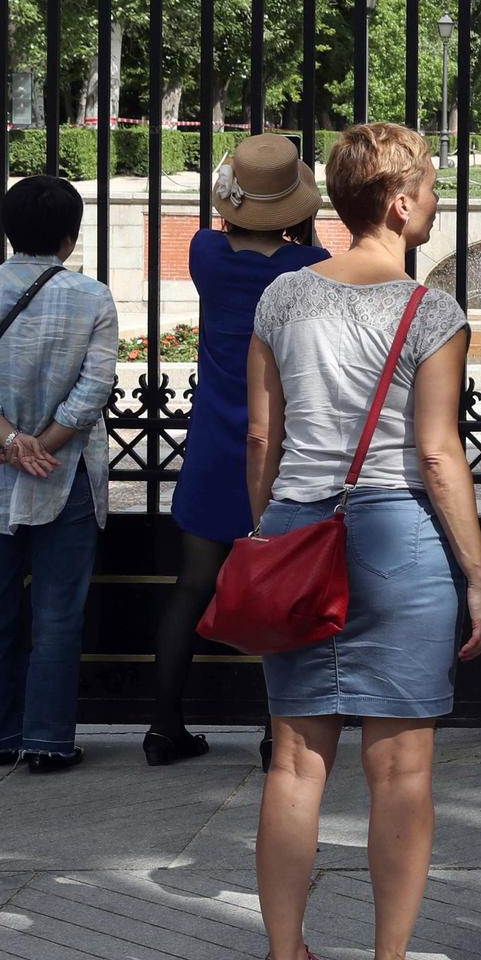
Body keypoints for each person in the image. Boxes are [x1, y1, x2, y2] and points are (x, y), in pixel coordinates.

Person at [247, 122, 481, 960]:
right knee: (401, 772)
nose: (434, 199)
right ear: (399, 203)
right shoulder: (431, 312)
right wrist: (478, 574)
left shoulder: (282, 298)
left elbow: (262, 436)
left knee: (293, 762)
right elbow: (437, 455)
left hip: (298, 526)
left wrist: (269, 532)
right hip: (397, 537)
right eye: (429, 185)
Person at [149, 134, 329, 768]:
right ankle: (274, 731)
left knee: (192, 585)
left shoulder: (205, 253)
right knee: (282, 589)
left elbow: (217, 229)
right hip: (278, 442)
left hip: (211, 443)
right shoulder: (306, 267)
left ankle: (163, 724)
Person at [0, 174, 118, 774]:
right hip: (64, 474)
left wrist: (10, 440)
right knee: (59, 611)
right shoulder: (92, 297)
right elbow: (95, 389)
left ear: (10, 230)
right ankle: (47, 742)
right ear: (71, 236)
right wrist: (46, 444)